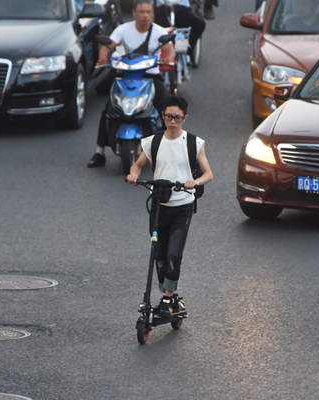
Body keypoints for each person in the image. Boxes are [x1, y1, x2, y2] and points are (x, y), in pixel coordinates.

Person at [126, 96, 213, 317]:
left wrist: (195, 182)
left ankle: (167, 298)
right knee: (159, 255)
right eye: (168, 117)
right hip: (158, 206)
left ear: (184, 118)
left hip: (183, 206)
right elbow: (137, 166)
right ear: (162, 116)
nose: (172, 122)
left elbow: (208, 174)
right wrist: (133, 175)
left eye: (177, 117)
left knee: (174, 253)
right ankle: (171, 296)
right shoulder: (153, 142)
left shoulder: (194, 143)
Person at [87, 0, 175, 168]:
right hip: (126, 75)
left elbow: (169, 51)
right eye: (142, 12)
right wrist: (103, 57)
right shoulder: (123, 29)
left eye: (149, 12)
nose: (145, 16)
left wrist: (168, 58)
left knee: (168, 109)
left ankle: (172, 150)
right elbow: (108, 46)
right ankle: (99, 152)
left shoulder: (158, 31)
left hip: (151, 76)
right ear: (134, 12)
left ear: (153, 13)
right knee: (108, 110)